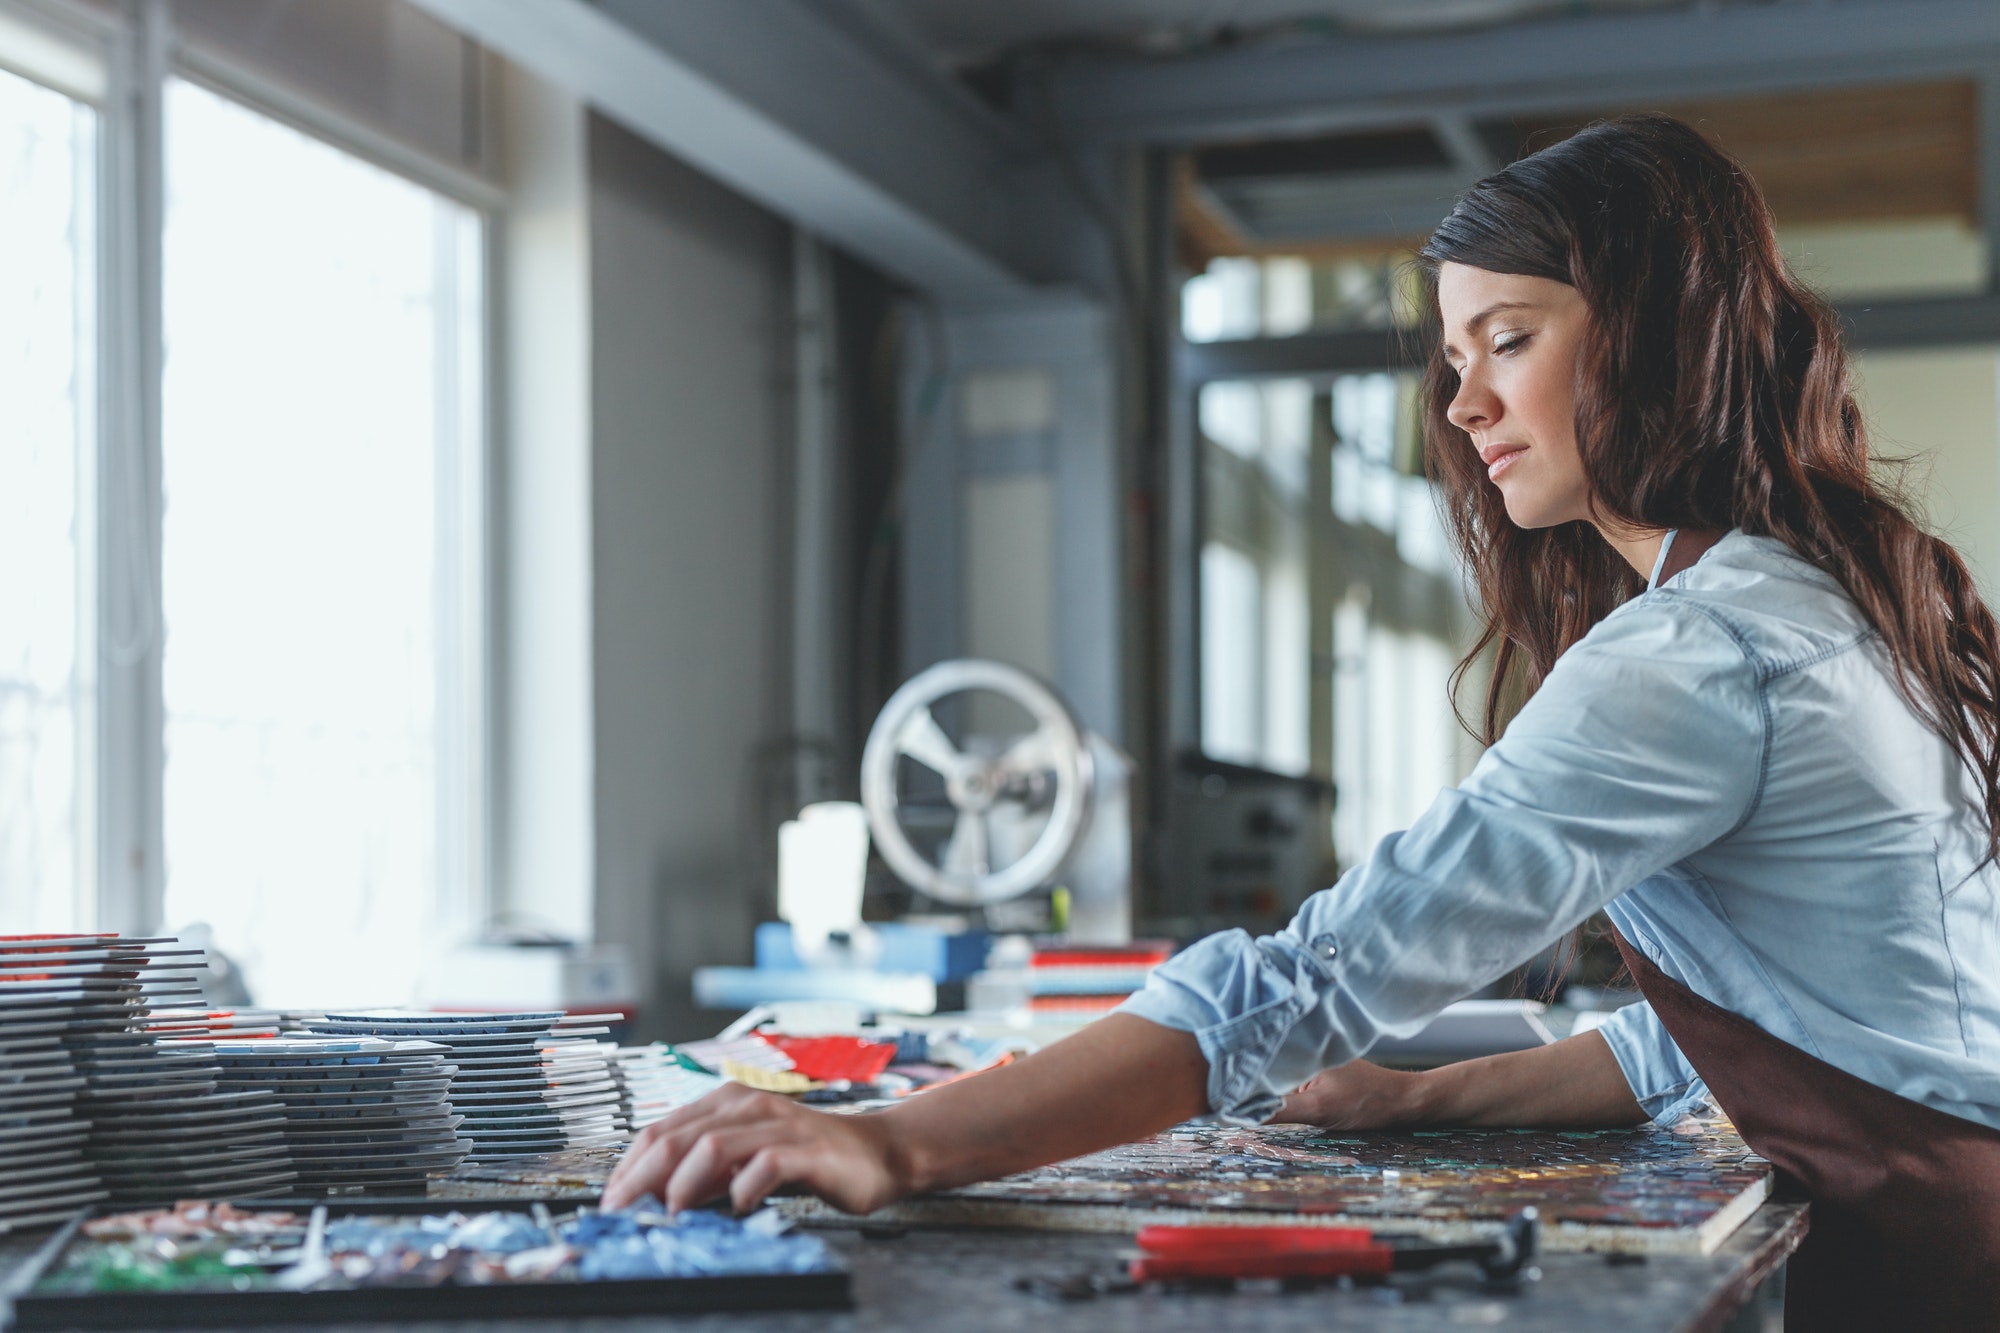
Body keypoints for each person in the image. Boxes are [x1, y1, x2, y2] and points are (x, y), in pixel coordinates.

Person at [606, 116, 2000, 1328]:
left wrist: (895, 1144)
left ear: (1659, 329)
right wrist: (1414, 1098)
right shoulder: (1834, 597)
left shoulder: (1703, 651)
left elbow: (1306, 983)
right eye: (1455, 354)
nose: (1463, 404)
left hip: (1940, 1255)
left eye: (1510, 339)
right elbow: (1767, 1017)